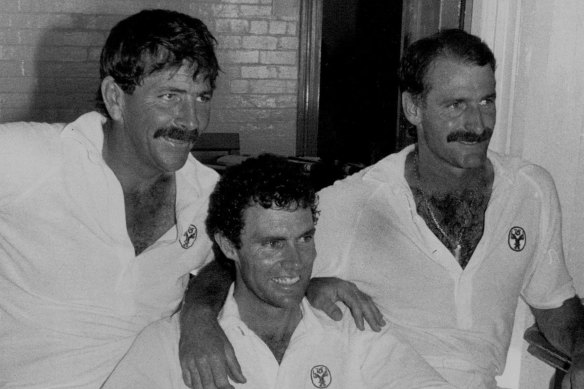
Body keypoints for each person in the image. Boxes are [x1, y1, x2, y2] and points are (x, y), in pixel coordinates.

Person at [182, 29, 584, 389]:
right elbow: (240, 257)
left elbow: (557, 306)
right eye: (456, 105)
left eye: (487, 101)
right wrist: (199, 319)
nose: (478, 124)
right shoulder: (360, 201)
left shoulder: (530, 190)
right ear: (413, 109)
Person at [0, 9, 232, 388]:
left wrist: (200, 313)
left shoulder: (206, 194)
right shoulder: (33, 158)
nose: (191, 120)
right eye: (170, 95)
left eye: (201, 97)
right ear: (115, 98)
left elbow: (228, 261)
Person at [102, 153, 456, 389]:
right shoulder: (172, 346)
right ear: (228, 246)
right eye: (272, 244)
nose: (294, 262)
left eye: (304, 239)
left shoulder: (352, 331)